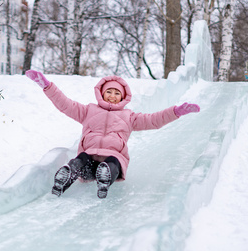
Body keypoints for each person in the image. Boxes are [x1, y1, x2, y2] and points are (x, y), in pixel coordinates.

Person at [25, 70, 200, 199]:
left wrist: (176, 111)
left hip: (113, 156)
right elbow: (64, 104)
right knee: (82, 159)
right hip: (90, 158)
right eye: (109, 91)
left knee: (113, 162)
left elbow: (154, 120)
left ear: (123, 97)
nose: (112, 95)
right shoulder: (88, 111)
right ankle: (67, 176)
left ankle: (105, 176)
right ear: (101, 93)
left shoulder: (129, 117)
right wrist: (47, 86)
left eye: (117, 93)